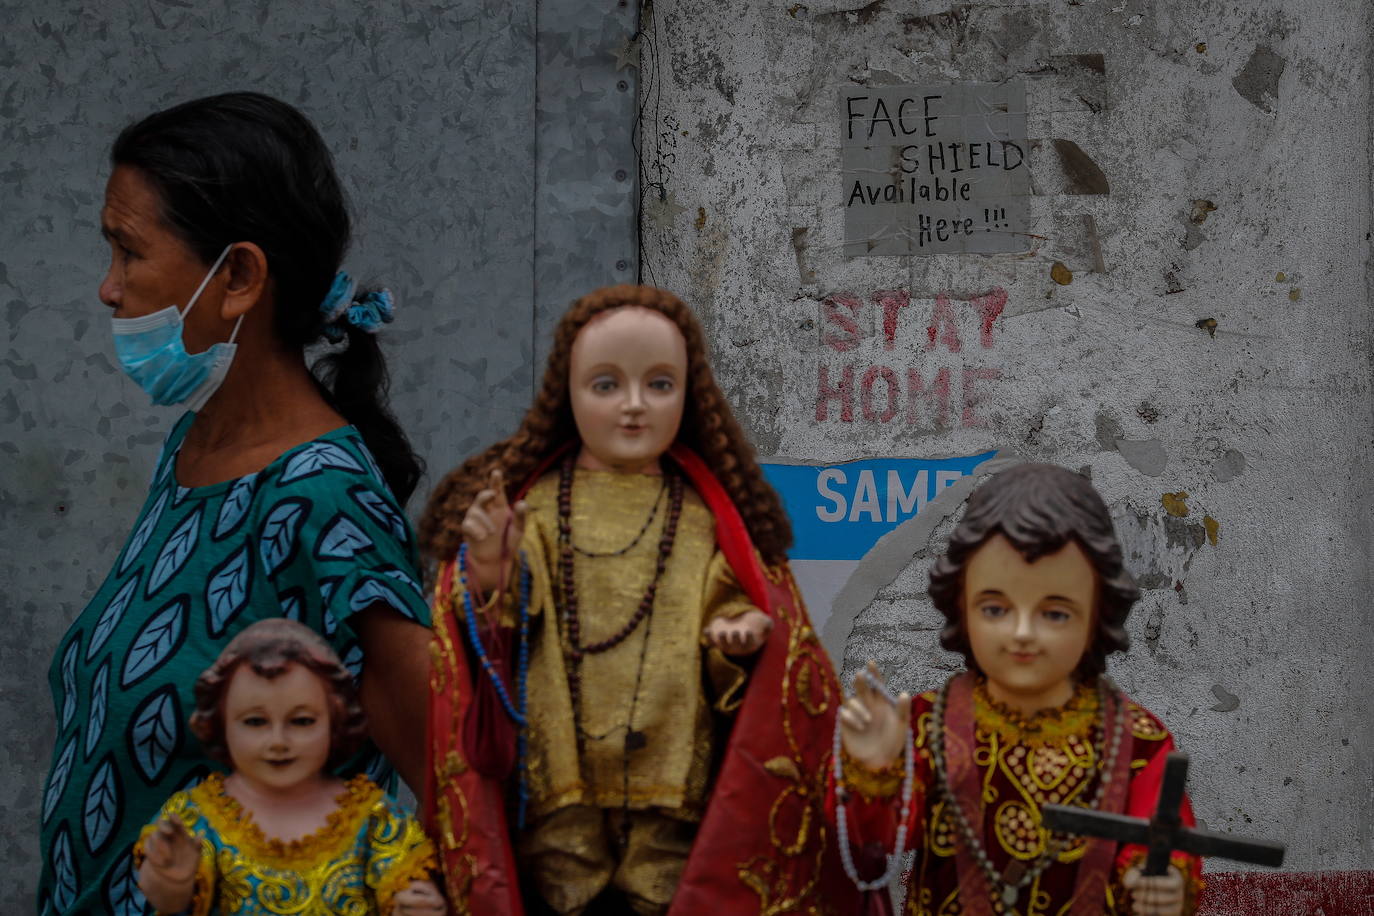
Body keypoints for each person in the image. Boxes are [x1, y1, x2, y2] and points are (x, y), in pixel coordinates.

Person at [37, 92, 433, 915]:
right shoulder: (191, 456)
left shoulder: (327, 498)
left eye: (129, 252)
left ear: (241, 277)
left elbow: (457, 777)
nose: (109, 289)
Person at [419, 285, 860, 914]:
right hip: (557, 782)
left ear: (691, 394)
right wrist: (490, 571)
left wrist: (735, 633)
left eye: (659, 385)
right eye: (605, 385)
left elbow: (733, 603)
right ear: (566, 395)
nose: (633, 407)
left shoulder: (710, 517)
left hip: (674, 775)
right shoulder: (536, 508)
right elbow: (498, 631)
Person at [830, 463, 1203, 916]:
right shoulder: (929, 723)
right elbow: (881, 838)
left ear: (1098, 614)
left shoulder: (1137, 740)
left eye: (1055, 613)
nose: (1022, 633)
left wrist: (1159, 886)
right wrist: (873, 771)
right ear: (960, 606)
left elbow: (1164, 843)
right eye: (995, 609)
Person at [135, 619, 444, 914]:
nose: (279, 741)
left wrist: (416, 904)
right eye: (256, 722)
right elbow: (167, 902)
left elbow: (406, 886)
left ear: (335, 722)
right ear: (220, 723)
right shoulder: (196, 818)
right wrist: (172, 879)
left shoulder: (373, 818)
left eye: (302, 721)